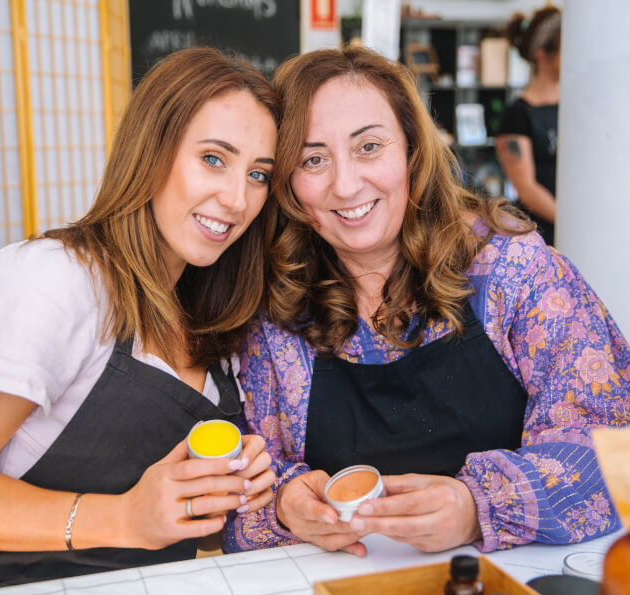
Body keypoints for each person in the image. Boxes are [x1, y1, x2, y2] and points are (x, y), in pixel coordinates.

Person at [0, 47, 280, 595]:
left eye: (258, 174)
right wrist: (124, 519)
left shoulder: (212, 312)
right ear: (150, 149)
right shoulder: (55, 282)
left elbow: (185, 529)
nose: (238, 199)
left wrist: (227, 495)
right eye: (214, 158)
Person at [223, 46, 629, 558]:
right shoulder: (278, 308)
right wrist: (284, 503)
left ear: (413, 153)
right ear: (287, 183)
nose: (346, 184)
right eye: (313, 159)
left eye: (369, 147)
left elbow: (613, 446)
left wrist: (476, 506)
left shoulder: (513, 270)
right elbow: (246, 485)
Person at [496, 7, 561, 246]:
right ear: (543, 56)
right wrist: (571, 222)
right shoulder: (518, 115)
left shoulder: (577, 110)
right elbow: (527, 188)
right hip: (544, 236)